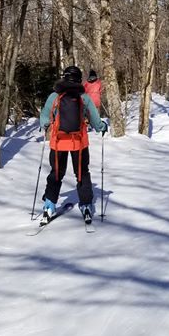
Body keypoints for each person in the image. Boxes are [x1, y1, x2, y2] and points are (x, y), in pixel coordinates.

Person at [39, 65, 107, 223]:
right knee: (82, 173)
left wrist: (45, 125)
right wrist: (102, 127)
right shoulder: (85, 98)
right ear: (78, 79)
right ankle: (86, 205)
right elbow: (96, 122)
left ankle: (49, 204)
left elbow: (44, 118)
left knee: (56, 173)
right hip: (79, 143)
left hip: (58, 143)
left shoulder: (54, 96)